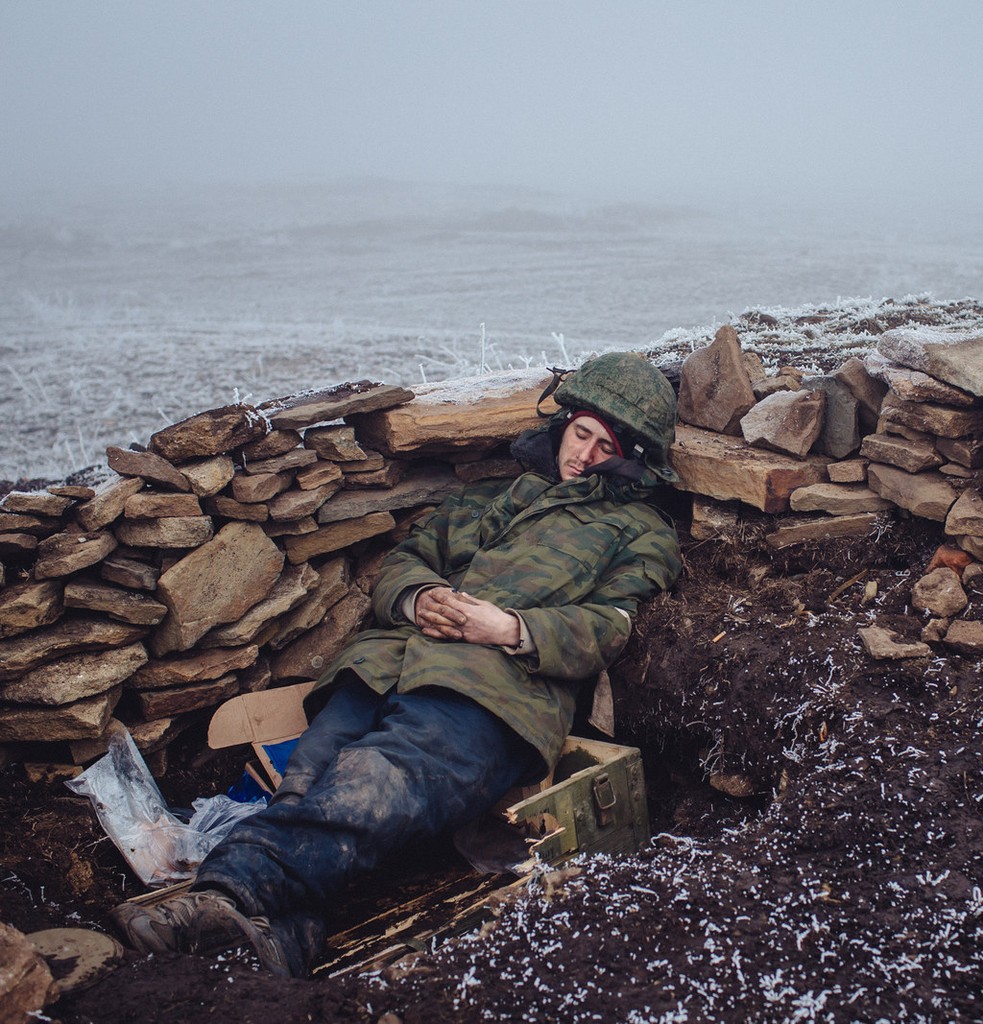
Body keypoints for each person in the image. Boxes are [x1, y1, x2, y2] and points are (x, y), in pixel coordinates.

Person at [113, 351, 682, 977]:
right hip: (386, 665)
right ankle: (284, 942)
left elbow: (612, 626)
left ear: (631, 458)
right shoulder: (489, 497)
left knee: (371, 785)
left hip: (494, 694)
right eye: (581, 433)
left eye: (605, 447)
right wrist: (419, 599)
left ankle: (221, 895)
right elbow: (408, 559)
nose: (584, 455)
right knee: (309, 780)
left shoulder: (639, 531)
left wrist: (511, 628)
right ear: (564, 423)